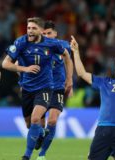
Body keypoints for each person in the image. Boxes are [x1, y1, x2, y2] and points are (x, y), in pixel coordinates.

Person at [2, 17, 73, 160]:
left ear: (40, 30)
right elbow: (5, 64)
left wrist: (69, 79)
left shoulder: (52, 44)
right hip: (27, 88)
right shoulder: (21, 43)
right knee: (30, 124)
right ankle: (41, 133)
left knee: (39, 119)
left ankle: (29, 156)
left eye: (33, 28)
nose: (30, 31)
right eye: (28, 28)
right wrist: (24, 69)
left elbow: (66, 55)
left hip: (46, 87)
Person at [32, 20, 73, 160]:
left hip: (58, 88)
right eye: (44, 33)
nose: (47, 36)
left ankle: (42, 154)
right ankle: (40, 135)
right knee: (41, 124)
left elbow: (69, 62)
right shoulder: (36, 46)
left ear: (55, 33)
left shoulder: (63, 46)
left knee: (53, 121)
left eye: (49, 33)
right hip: (41, 87)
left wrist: (70, 81)